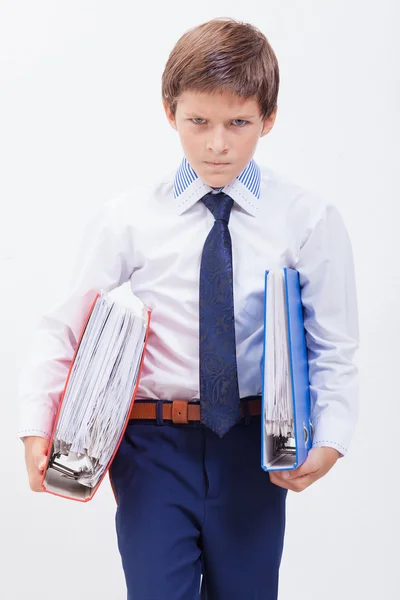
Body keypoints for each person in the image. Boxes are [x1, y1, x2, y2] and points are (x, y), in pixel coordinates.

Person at [19, 17, 359, 600]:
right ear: (170, 110)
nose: (217, 144)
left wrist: (330, 439)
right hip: (152, 447)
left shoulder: (306, 220)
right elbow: (63, 327)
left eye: (239, 123)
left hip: (256, 445)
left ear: (269, 118)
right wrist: (35, 427)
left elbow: (334, 344)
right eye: (198, 121)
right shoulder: (129, 218)